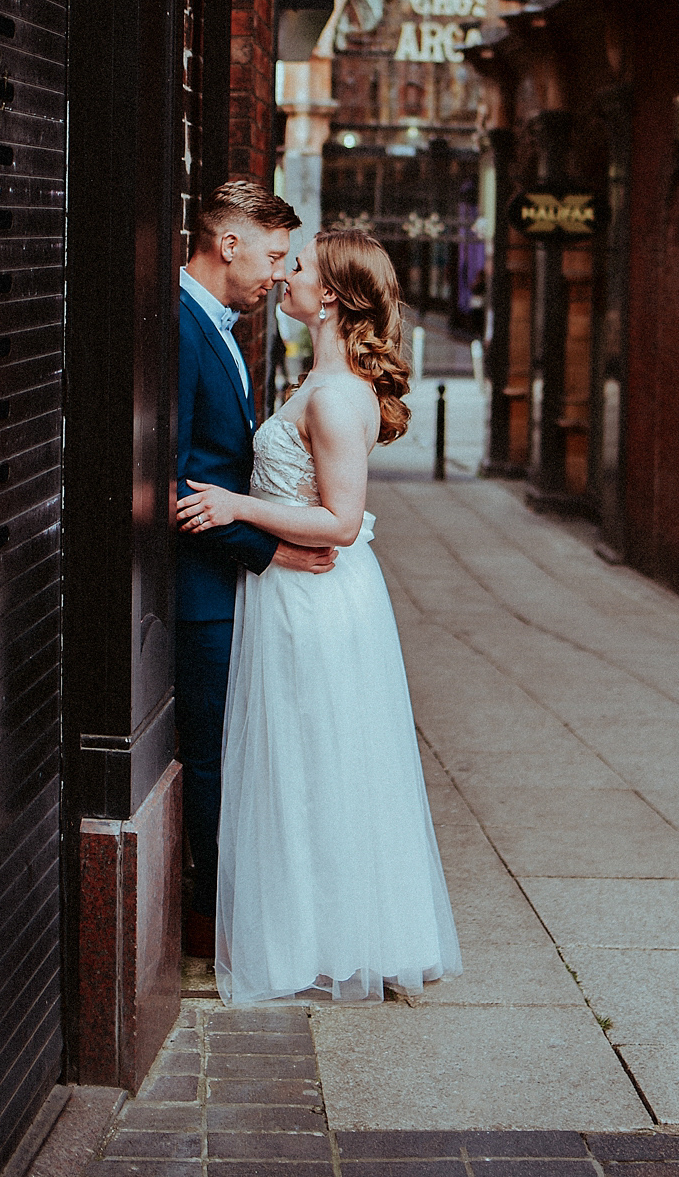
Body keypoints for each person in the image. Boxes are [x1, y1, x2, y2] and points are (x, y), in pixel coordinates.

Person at [177, 228, 462, 1004]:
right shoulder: (317, 378)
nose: (287, 275)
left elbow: (340, 522)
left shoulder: (336, 396)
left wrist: (236, 505)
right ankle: (312, 935)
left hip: (315, 599)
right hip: (290, 593)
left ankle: (329, 941)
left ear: (330, 295)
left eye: (297, 266)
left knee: (313, 762)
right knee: (299, 763)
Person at [177, 180, 338, 959]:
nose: (278, 272)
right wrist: (270, 549)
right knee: (211, 756)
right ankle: (212, 921)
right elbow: (174, 484)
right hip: (200, 592)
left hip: (225, 583)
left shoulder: (221, 327)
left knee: (232, 751)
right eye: (273, 254)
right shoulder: (180, 325)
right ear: (227, 243)